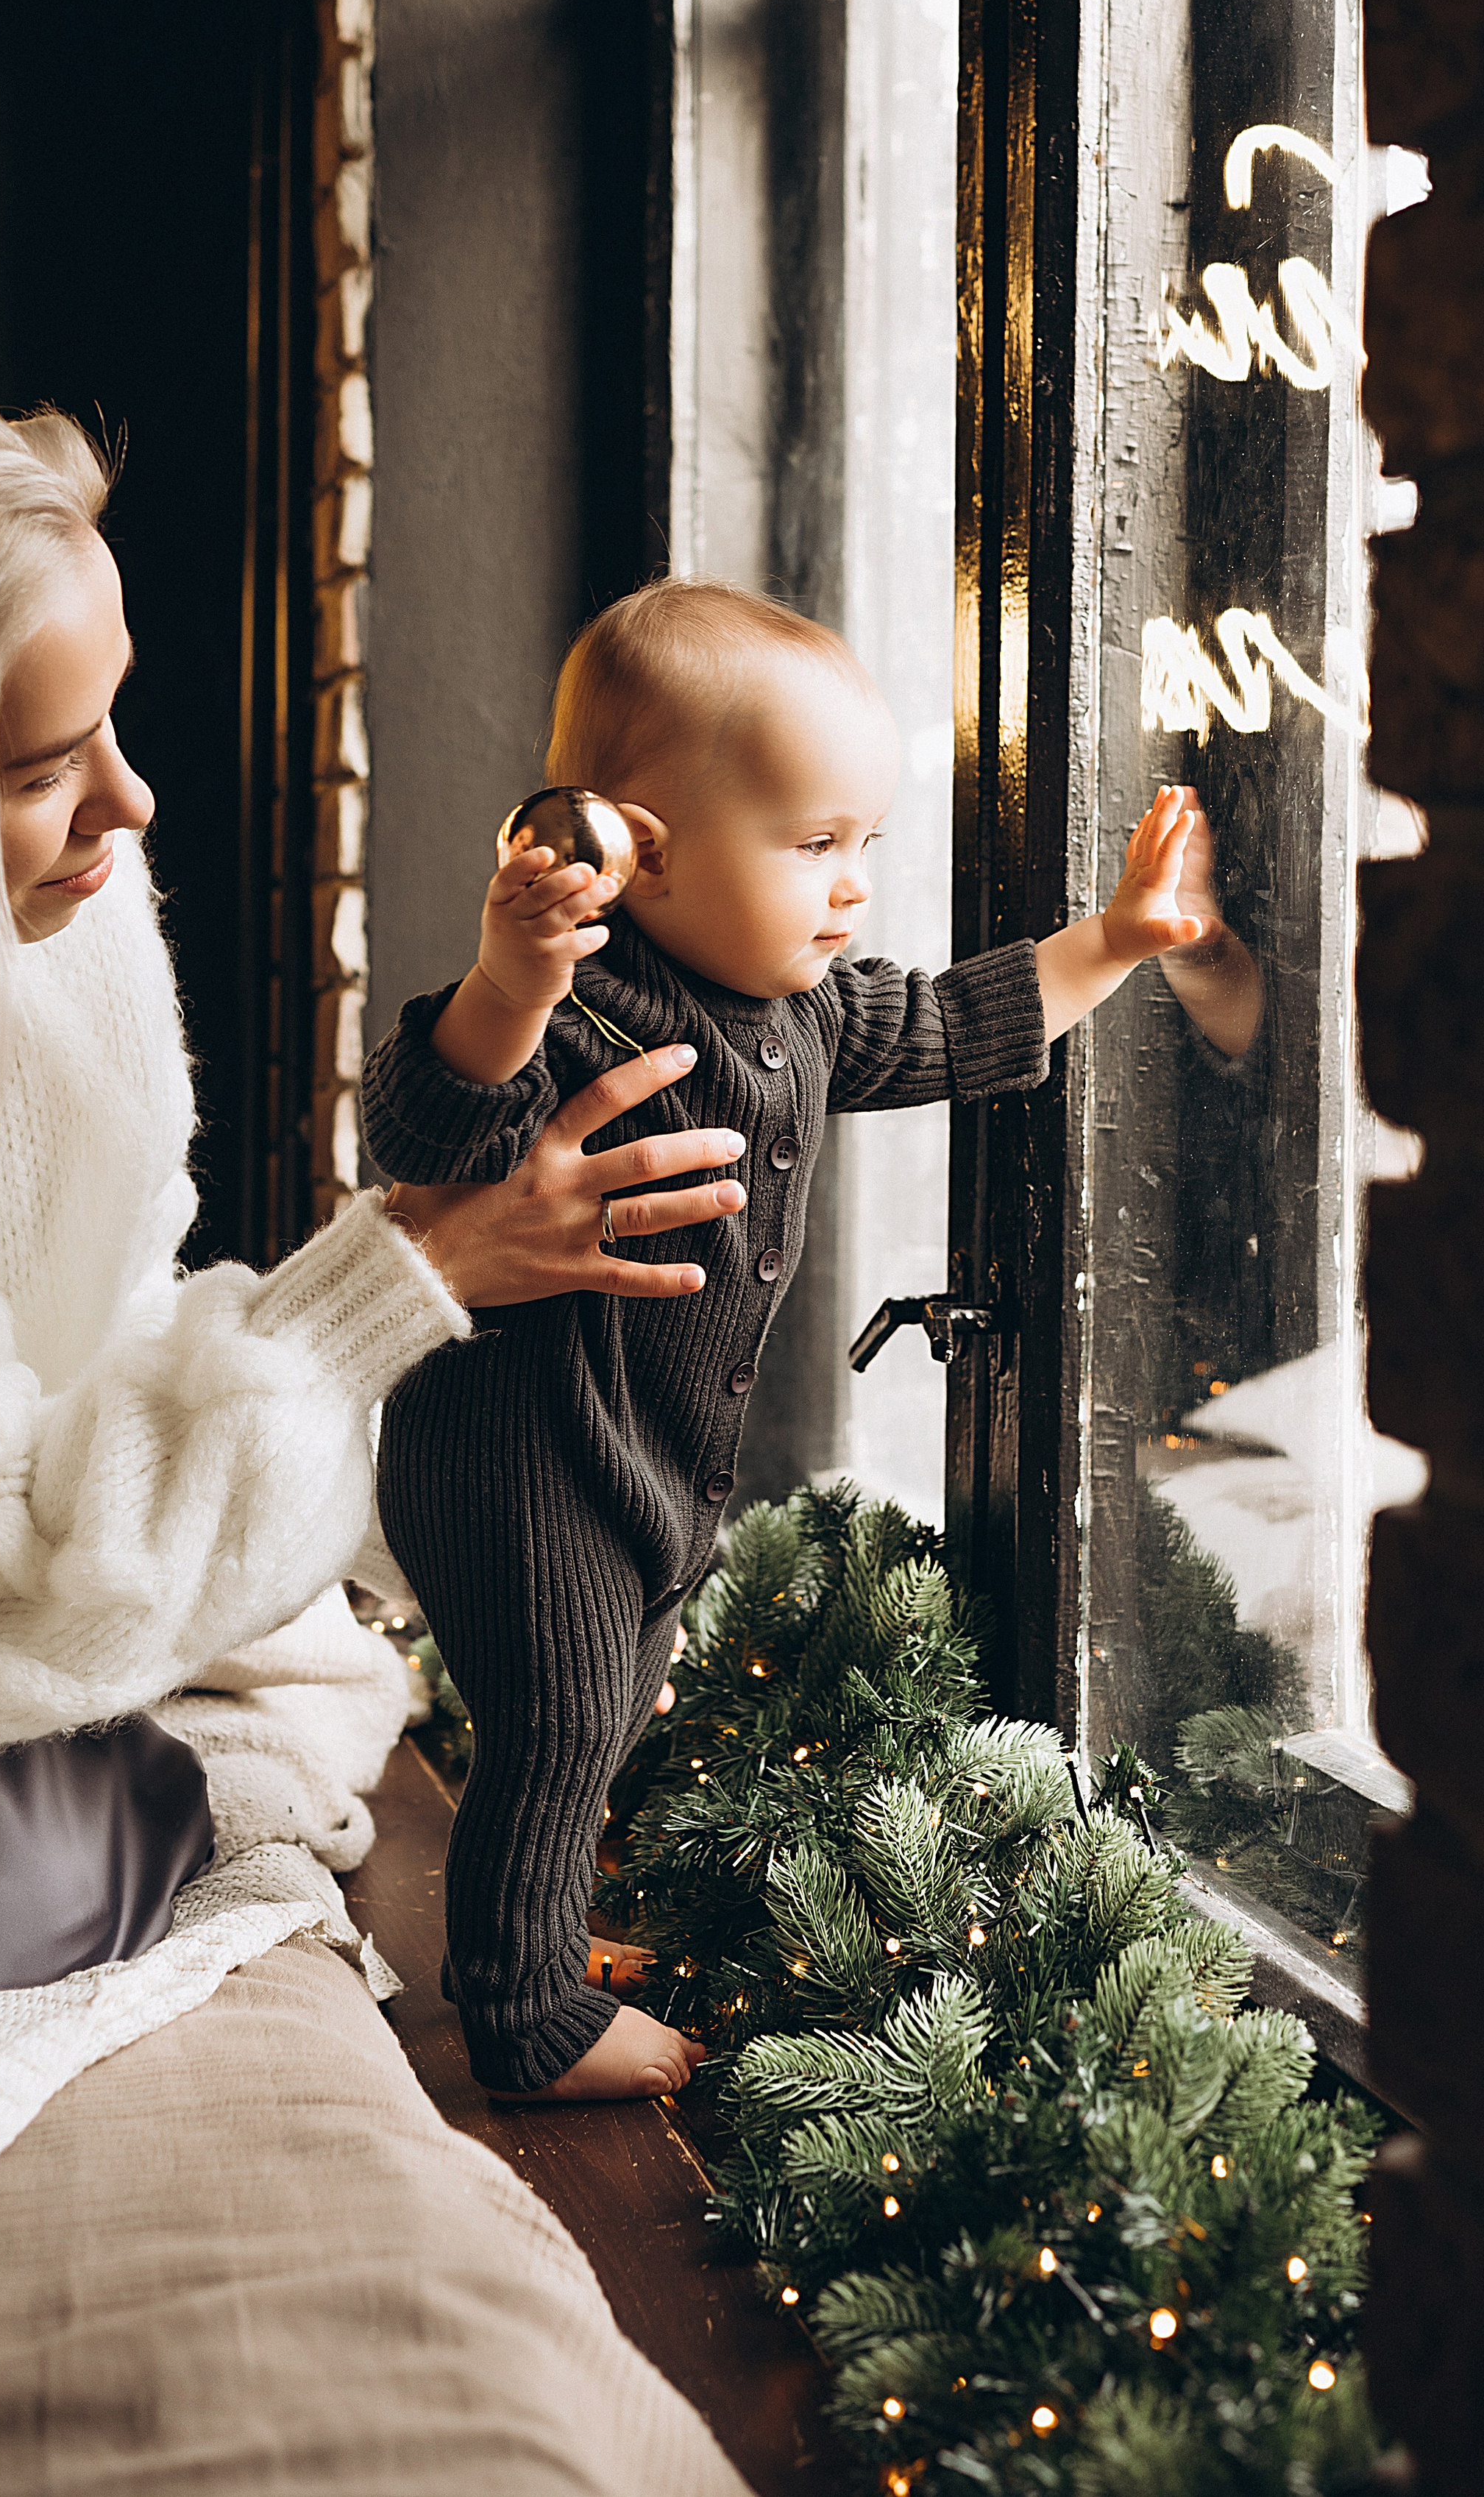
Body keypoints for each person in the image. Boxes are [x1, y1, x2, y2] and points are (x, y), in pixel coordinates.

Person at [0, 360, 750, 2005]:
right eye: (36, 768)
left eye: (110, 718)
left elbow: (98, 1335)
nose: (130, 804)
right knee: (36, 1864)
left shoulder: (59, 915)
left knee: (108, 1784)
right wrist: (400, 1282)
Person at [363, 577, 1202, 2102]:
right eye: (813, 845)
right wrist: (507, 981)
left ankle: (533, 1929)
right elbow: (425, 1126)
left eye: (864, 844)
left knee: (604, 1705)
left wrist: (1117, 939)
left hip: (636, 1470)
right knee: (558, 1717)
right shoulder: (577, 1005)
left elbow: (953, 1022)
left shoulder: (803, 1013)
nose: (853, 888)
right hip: (514, 1459)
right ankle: (521, 2017)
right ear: (639, 849)